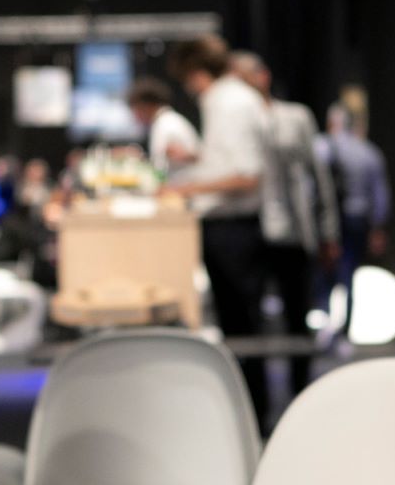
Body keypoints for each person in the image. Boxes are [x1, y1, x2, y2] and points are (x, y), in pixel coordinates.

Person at [166, 35, 271, 421]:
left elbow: (247, 176)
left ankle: (251, 416)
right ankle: (246, 413)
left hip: (234, 229)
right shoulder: (229, 100)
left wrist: (186, 188)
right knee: (237, 326)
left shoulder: (229, 102)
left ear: (196, 73)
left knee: (242, 327)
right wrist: (196, 159)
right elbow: (231, 162)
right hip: (229, 227)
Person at [229, 51, 341, 396]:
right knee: (249, 320)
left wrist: (328, 232)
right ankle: (255, 402)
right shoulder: (232, 122)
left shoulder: (295, 117)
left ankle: (302, 393)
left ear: (262, 77)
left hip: (292, 231)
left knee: (297, 315)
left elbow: (318, 177)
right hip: (248, 229)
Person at [317, 96, 390, 338]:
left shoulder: (322, 147)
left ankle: (323, 322)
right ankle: (344, 329)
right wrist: (378, 227)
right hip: (357, 220)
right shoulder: (369, 152)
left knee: (325, 271)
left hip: (330, 220)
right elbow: (380, 195)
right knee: (348, 272)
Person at [126, 76, 200, 184]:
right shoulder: (168, 119)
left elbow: (159, 168)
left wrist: (136, 159)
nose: (135, 117)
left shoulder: (165, 124)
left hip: (184, 186)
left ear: (145, 106)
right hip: (184, 184)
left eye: (135, 110)